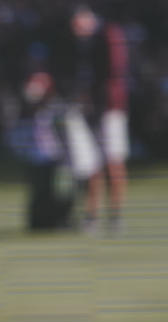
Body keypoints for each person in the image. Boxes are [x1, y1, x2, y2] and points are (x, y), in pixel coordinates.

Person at [55, 5, 130, 234]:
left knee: (113, 160)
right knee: (90, 163)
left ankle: (115, 216)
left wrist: (91, 94)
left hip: (108, 107)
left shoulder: (108, 35)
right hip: (86, 109)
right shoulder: (75, 42)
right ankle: (91, 215)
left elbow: (114, 71)